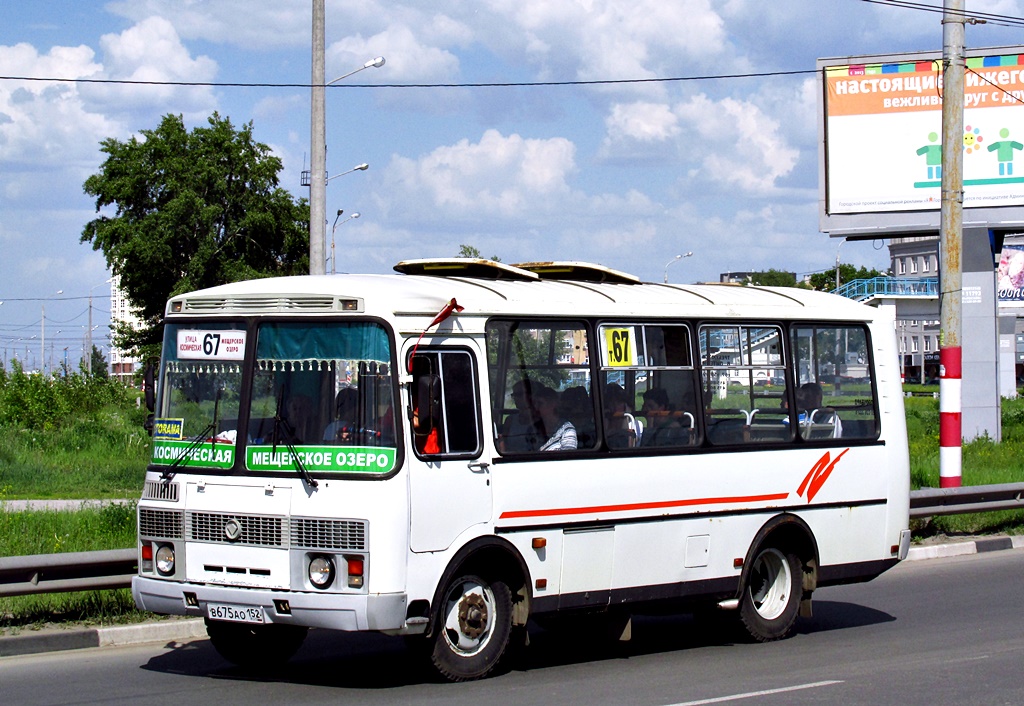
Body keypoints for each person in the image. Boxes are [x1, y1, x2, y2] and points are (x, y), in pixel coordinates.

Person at [499, 379, 542, 452]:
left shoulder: (543, 420)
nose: (515, 398)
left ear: (531, 395)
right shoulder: (510, 420)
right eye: (514, 395)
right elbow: (503, 447)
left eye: (519, 394)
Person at [534, 385, 577, 451]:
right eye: (534, 403)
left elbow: (569, 457)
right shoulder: (533, 428)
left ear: (552, 404)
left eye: (540, 403)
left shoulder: (567, 429)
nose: (536, 407)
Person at [604, 382, 640, 448]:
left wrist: (625, 418)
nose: (615, 407)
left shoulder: (635, 424)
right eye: (611, 403)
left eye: (619, 403)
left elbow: (630, 446)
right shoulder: (603, 423)